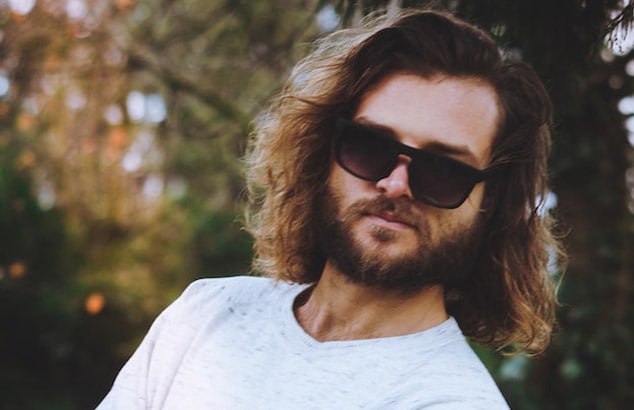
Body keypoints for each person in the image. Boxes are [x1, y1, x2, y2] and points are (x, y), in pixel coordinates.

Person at [97, 8, 563, 409]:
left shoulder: (451, 401)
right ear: (323, 153)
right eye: (369, 145)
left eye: (442, 169)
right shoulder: (205, 313)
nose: (395, 184)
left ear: (492, 204)